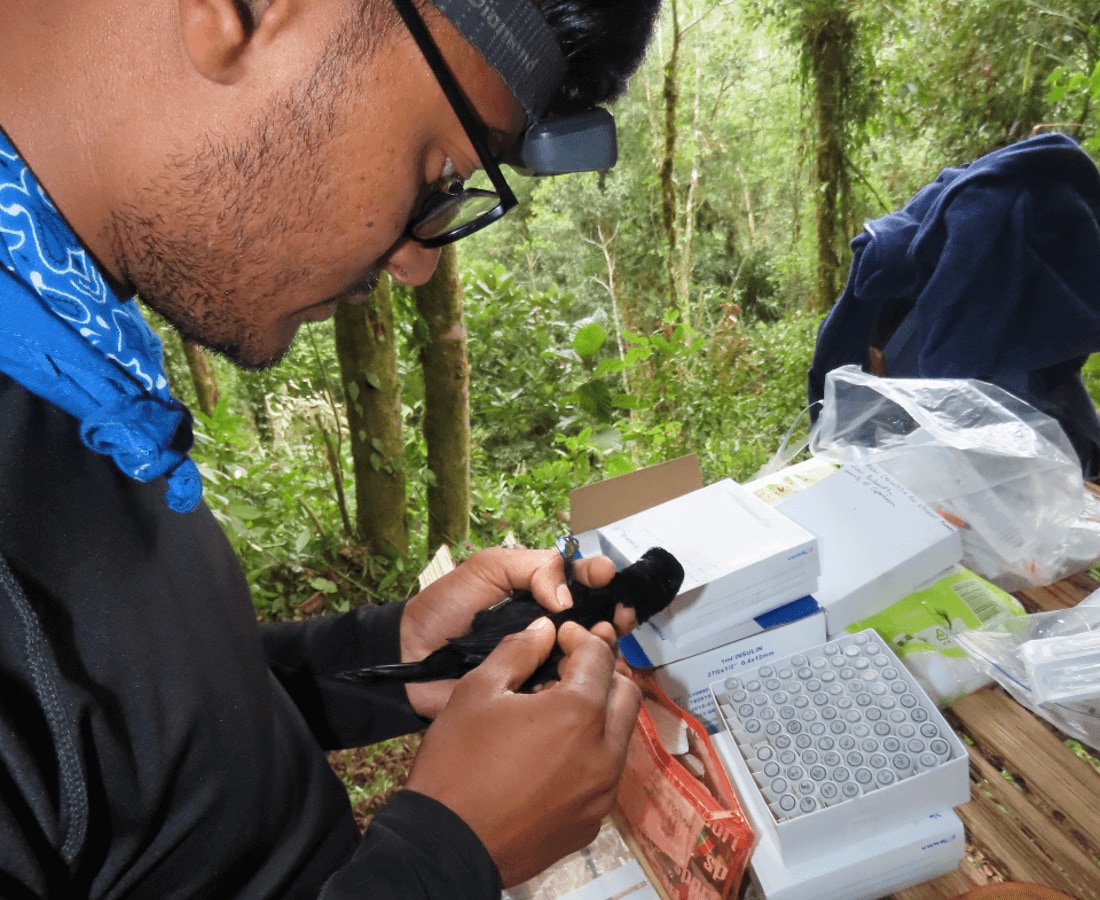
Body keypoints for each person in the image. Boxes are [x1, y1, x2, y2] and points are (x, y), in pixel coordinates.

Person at [0, 0, 660, 896]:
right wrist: (442, 859)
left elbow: (114, 728)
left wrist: (384, 661)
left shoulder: (63, 340)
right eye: (439, 175)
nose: (418, 261)